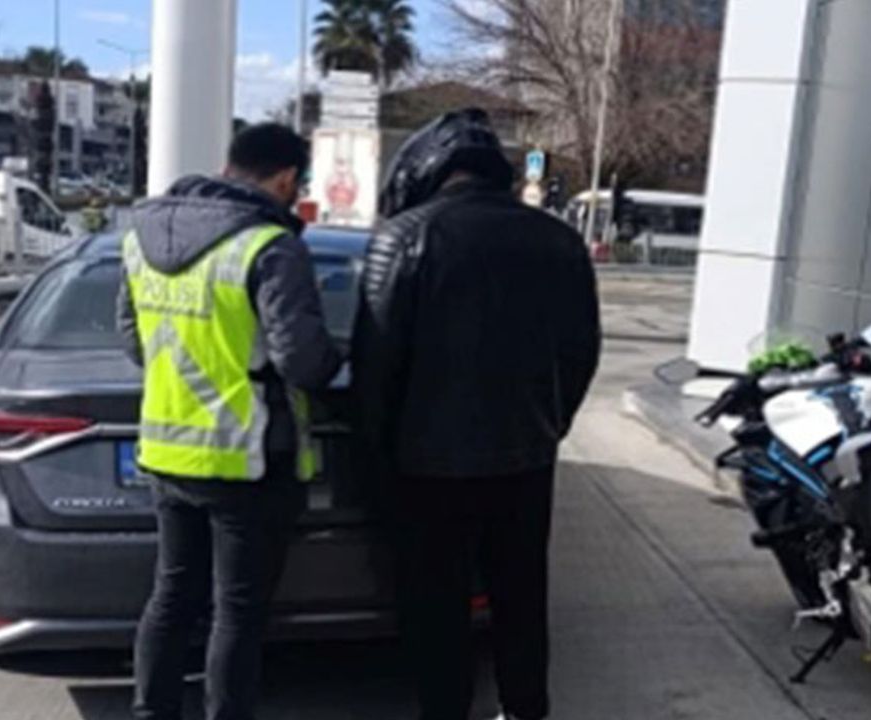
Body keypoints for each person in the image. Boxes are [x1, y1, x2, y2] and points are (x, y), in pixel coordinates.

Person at [353, 109, 602, 720]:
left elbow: (375, 366)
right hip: (525, 456)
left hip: (428, 465)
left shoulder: (403, 237)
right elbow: (582, 352)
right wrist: (550, 422)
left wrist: (378, 454)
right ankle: (524, 709)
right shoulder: (560, 240)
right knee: (521, 596)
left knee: (438, 607)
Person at [118, 123, 341, 720]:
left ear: (228, 166)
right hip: (246, 461)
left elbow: (134, 341)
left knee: (171, 595)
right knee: (236, 613)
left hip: (165, 454)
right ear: (287, 179)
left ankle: (152, 711)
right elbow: (303, 361)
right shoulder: (269, 245)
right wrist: (337, 358)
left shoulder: (141, 239)